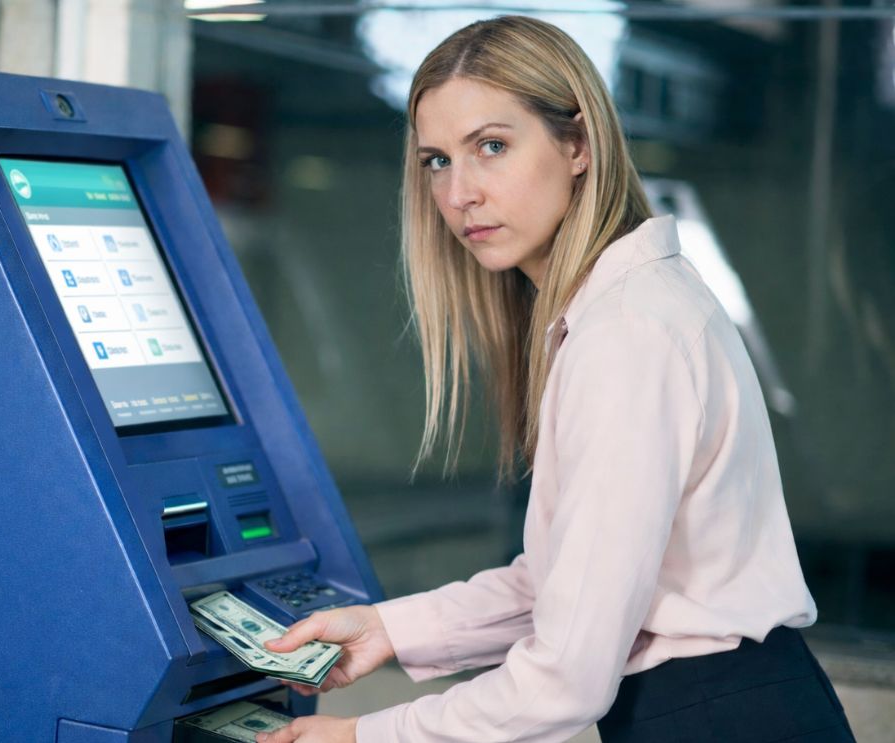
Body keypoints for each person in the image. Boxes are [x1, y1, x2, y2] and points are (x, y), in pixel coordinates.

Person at [255, 16, 856, 743]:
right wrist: (386, 628)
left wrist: (361, 736)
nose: (460, 194)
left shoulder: (628, 333)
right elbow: (562, 584)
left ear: (578, 144)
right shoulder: (613, 311)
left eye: (492, 147)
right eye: (437, 160)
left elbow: (565, 674)